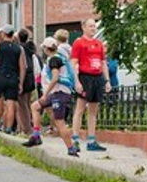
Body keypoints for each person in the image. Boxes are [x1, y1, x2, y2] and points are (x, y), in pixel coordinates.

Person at [71, 17, 111, 151]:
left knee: (93, 110)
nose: (93, 29)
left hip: (97, 76)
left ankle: (91, 140)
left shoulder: (99, 44)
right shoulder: (79, 43)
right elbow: (74, 63)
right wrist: (76, 81)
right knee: (80, 108)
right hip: (85, 77)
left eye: (94, 26)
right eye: (90, 26)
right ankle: (75, 139)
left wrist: (107, 80)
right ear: (84, 27)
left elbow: (103, 62)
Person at [38, 36, 79, 157]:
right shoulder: (62, 58)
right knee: (35, 106)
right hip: (60, 91)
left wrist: (45, 93)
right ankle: (36, 134)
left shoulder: (53, 60)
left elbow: (55, 77)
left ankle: (71, 147)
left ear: (46, 49)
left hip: (59, 92)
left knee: (59, 121)